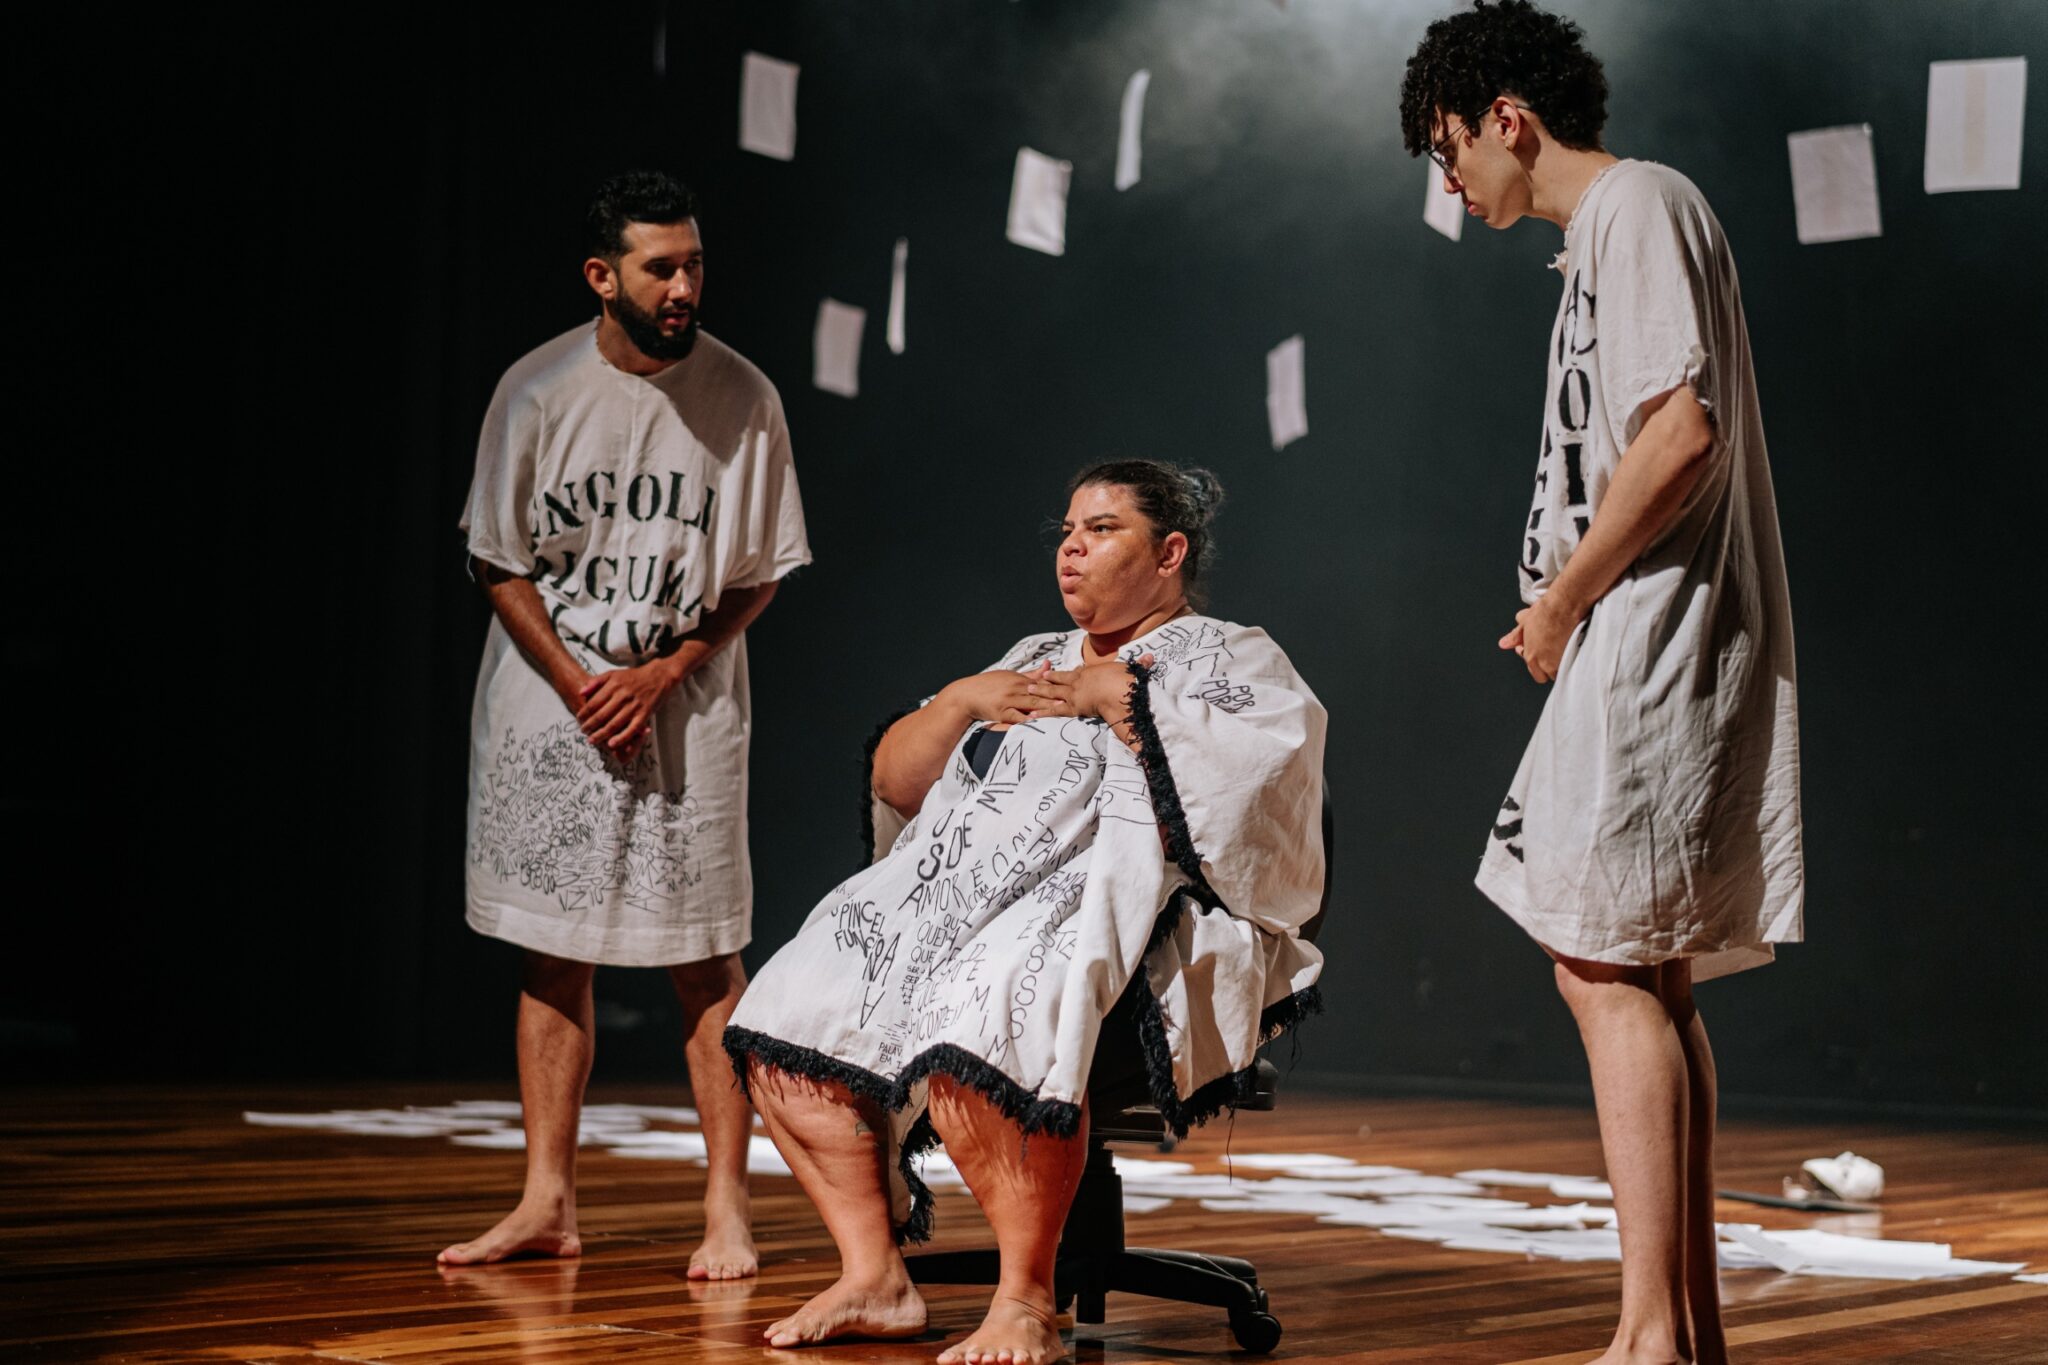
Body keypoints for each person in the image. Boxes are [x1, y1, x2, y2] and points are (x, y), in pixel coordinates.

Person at [1400, 5, 1802, 1363]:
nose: (1448, 181)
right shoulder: (1607, 237)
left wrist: (1564, 600)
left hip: (1653, 633)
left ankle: (1646, 1336)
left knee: (1599, 963)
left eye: (1447, 148)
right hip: (1639, 631)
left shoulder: (1636, 207)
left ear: (1506, 119)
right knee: (1648, 976)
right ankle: (1682, 1331)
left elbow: (1677, 432)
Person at [722, 461, 1326, 1363]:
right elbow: (896, 782)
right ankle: (874, 1274)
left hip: (1132, 923)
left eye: (1102, 529)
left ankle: (1027, 1301)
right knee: (788, 1004)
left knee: (995, 993)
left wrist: (1125, 700)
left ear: (1170, 553)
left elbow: (1259, 801)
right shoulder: (1030, 656)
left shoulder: (1230, 656)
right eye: (1066, 531)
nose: (1072, 548)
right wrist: (962, 700)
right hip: (957, 905)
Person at [442, 170, 811, 1279]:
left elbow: (760, 572)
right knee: (552, 953)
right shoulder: (537, 389)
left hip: (686, 712)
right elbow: (496, 558)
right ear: (603, 276)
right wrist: (576, 683)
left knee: (706, 957)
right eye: (661, 268)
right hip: (549, 712)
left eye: (694, 263)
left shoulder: (743, 396)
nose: (684, 286)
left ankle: (726, 1208)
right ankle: (545, 1200)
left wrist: (663, 672)